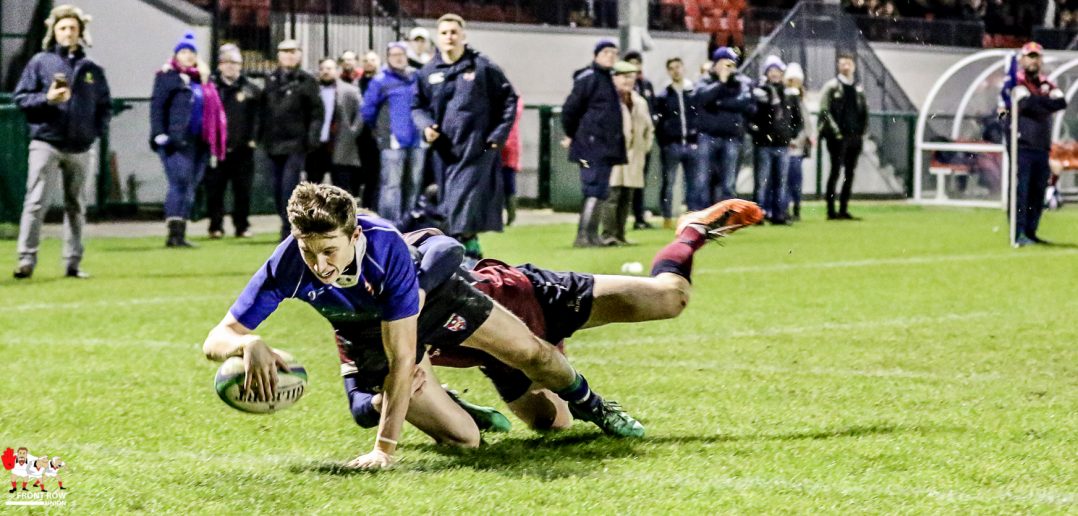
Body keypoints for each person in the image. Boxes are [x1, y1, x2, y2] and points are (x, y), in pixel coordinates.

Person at [202, 183, 644, 471]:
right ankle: (455, 405)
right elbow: (217, 337)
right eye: (308, 250)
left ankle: (592, 404)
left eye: (329, 250)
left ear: (354, 237)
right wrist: (247, 343)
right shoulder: (287, 264)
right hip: (364, 331)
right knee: (465, 442)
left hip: (433, 300)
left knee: (533, 353)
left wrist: (384, 450)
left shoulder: (385, 250)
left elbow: (403, 358)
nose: (319, 264)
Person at [356, 197, 766, 431]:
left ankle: (692, 230)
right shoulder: (351, 314)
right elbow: (363, 398)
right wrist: (396, 399)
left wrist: (418, 290)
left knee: (670, 297)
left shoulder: (401, 259)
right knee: (553, 425)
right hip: (495, 354)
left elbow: (444, 246)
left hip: (528, 296)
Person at [12, 4, 110, 279]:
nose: (68, 33)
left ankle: (73, 263)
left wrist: (94, 132)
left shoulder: (92, 69)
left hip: (80, 147)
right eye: (63, 28)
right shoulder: (40, 62)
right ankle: (26, 259)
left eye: (73, 28)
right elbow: (20, 98)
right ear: (54, 32)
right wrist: (47, 99)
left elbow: (104, 105)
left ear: (80, 32)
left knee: (76, 207)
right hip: (47, 142)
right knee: (35, 203)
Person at [412, 14, 519, 261]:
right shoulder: (428, 71)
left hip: (477, 149)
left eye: (454, 32)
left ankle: (463, 259)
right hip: (444, 152)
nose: (449, 37)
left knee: (462, 205)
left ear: (463, 36)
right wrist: (426, 126)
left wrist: (498, 135)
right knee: (449, 209)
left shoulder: (482, 66)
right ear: (438, 38)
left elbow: (509, 99)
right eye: (444, 33)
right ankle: (473, 257)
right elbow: (417, 106)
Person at [150, 31, 228, 248]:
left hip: (200, 141)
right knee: (180, 182)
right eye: (183, 52)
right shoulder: (167, 76)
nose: (188, 56)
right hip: (176, 140)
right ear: (176, 55)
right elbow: (157, 106)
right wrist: (159, 133)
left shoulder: (202, 79)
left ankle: (181, 233)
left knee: (191, 185)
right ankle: (173, 233)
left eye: (191, 52)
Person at [561, 39, 627, 247]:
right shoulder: (589, 78)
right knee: (593, 188)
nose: (611, 56)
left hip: (602, 145)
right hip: (592, 145)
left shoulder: (605, 78)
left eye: (614, 53)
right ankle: (583, 236)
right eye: (606, 52)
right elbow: (570, 110)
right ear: (595, 55)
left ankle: (591, 235)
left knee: (600, 189)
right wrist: (574, 134)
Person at [1001, 42, 1067, 246]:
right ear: (1022, 59)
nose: (1033, 60)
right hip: (1021, 145)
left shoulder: (1047, 83)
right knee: (1020, 190)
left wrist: (1036, 101)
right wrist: (1043, 102)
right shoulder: (1016, 81)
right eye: (1030, 56)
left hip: (1041, 145)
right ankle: (1018, 232)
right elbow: (1025, 103)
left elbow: (1060, 102)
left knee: (1037, 191)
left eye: (1036, 56)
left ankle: (1031, 231)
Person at [260, 39, 323, 240]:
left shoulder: (307, 81)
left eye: (292, 51)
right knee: (275, 188)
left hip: (296, 143)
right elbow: (262, 110)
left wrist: (312, 138)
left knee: (289, 187)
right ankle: (286, 222)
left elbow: (317, 112)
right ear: (278, 55)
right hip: (272, 142)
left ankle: (289, 229)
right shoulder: (270, 79)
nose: (289, 55)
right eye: (285, 51)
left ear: (299, 55)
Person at [362, 42, 424, 226]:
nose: (398, 58)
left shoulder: (417, 77)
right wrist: (381, 132)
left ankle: (410, 224)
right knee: (391, 185)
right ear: (388, 58)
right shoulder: (380, 81)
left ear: (406, 56)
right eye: (394, 55)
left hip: (418, 140)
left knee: (414, 183)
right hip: (392, 141)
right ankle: (390, 226)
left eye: (401, 54)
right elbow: (367, 111)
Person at [207, 43, 261, 239]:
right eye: (226, 62)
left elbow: (258, 117)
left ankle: (242, 225)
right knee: (215, 190)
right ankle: (215, 226)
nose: (230, 66)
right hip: (216, 148)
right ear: (220, 65)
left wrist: (253, 139)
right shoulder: (211, 88)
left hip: (243, 149)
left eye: (234, 62)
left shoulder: (251, 89)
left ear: (241, 65)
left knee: (243, 190)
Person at [694, 47, 755, 208]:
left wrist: (718, 103)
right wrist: (721, 83)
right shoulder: (705, 80)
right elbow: (701, 98)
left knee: (729, 182)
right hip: (708, 135)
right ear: (715, 64)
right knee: (702, 179)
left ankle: (726, 216)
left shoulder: (740, 82)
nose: (729, 68)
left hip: (731, 137)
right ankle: (701, 214)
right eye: (725, 63)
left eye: (731, 64)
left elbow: (744, 102)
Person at [602, 61, 654, 245]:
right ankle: (608, 235)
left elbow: (649, 129)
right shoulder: (607, 100)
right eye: (624, 77)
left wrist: (644, 149)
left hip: (634, 157)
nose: (628, 81)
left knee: (627, 197)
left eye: (631, 77)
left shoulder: (640, 102)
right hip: (613, 156)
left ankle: (620, 235)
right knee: (612, 196)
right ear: (614, 78)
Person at [818, 52, 868, 220]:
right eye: (843, 63)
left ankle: (844, 209)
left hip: (854, 137)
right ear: (838, 66)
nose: (846, 67)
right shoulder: (832, 86)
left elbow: (864, 111)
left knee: (849, 173)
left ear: (853, 66)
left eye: (849, 63)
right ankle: (831, 210)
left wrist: (861, 131)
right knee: (835, 172)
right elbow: (824, 110)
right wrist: (836, 131)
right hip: (837, 138)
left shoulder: (858, 89)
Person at [305, 58, 363, 194]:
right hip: (316, 145)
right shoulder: (312, 90)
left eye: (329, 68)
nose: (325, 71)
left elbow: (361, 112)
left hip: (340, 143)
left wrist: (353, 131)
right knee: (312, 188)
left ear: (337, 71)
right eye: (322, 69)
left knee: (341, 188)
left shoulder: (350, 90)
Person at [749, 55, 794, 225]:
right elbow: (753, 115)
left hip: (782, 143)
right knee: (762, 182)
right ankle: (757, 215)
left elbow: (795, 117)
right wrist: (758, 132)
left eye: (777, 70)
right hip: (764, 143)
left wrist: (790, 133)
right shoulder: (760, 92)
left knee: (780, 182)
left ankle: (779, 214)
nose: (774, 74)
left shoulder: (787, 93)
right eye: (771, 70)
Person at [654, 57, 698, 229]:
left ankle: (692, 217)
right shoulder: (664, 95)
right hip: (672, 145)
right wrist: (664, 143)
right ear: (668, 71)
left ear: (683, 68)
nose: (675, 71)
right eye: (671, 68)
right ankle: (667, 217)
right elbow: (659, 123)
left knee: (692, 184)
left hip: (691, 143)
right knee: (669, 183)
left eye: (678, 67)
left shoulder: (692, 92)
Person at [623, 50, 657, 230]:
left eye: (637, 63)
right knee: (623, 182)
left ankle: (639, 217)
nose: (635, 67)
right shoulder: (622, 88)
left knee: (639, 181)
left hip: (641, 142)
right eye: (632, 63)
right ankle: (621, 220)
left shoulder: (646, 84)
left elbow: (652, 111)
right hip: (626, 142)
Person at [784, 62, 813, 222]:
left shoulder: (800, 99)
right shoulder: (788, 98)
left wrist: (801, 139)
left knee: (795, 179)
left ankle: (795, 207)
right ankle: (787, 208)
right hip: (789, 144)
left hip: (797, 146)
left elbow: (804, 123)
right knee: (789, 179)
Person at [501, 97, 524, 226]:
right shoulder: (514, 99)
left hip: (506, 146)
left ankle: (510, 216)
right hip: (510, 146)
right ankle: (510, 217)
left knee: (507, 183)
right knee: (509, 184)